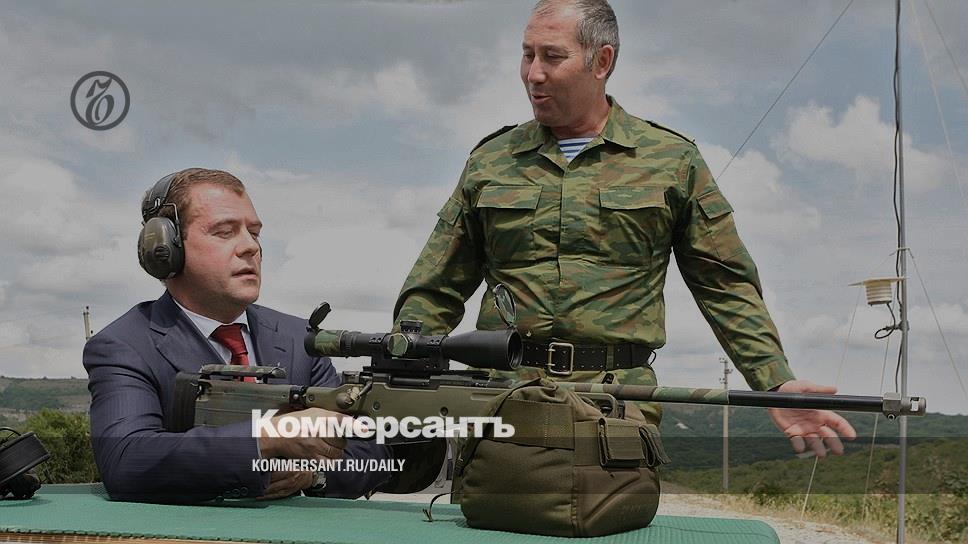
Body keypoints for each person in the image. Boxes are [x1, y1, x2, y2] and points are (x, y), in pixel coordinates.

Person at [394, 0, 856, 458]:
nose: (533, 73)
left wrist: (774, 380)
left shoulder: (672, 161)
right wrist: (400, 367)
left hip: (617, 410)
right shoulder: (490, 161)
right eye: (527, 54)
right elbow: (435, 287)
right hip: (503, 406)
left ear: (602, 61)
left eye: (552, 56)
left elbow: (725, 285)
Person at [84, 168, 390, 503]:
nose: (250, 247)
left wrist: (312, 476)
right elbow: (127, 460)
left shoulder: (301, 339)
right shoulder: (125, 345)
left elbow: (371, 452)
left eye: (254, 233)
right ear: (166, 249)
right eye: (224, 232)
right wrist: (267, 436)